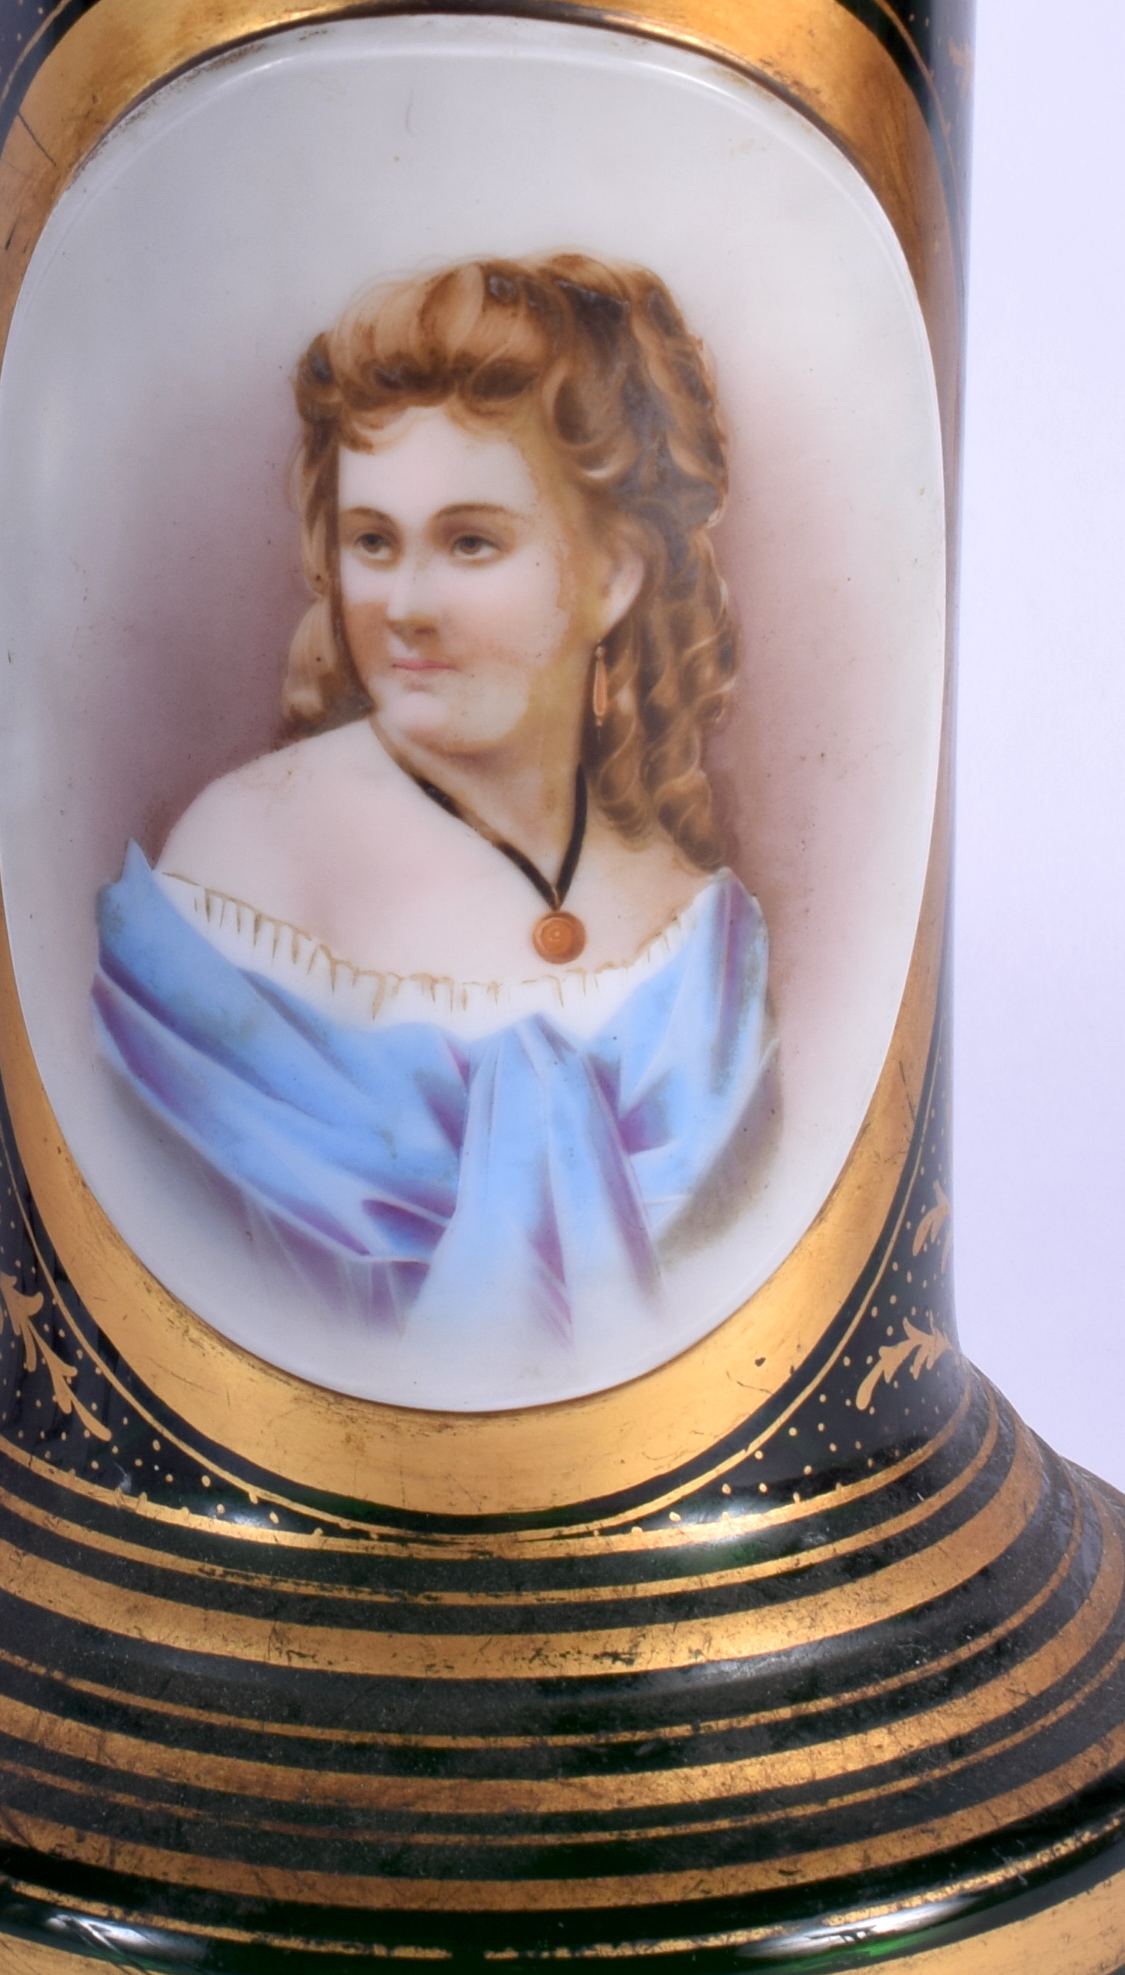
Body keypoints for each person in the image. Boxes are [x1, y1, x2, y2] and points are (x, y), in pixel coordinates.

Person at [92, 253, 777, 1359]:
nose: (405, 606)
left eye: (470, 542)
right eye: (374, 542)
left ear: (612, 575)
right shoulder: (245, 861)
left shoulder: (700, 930)